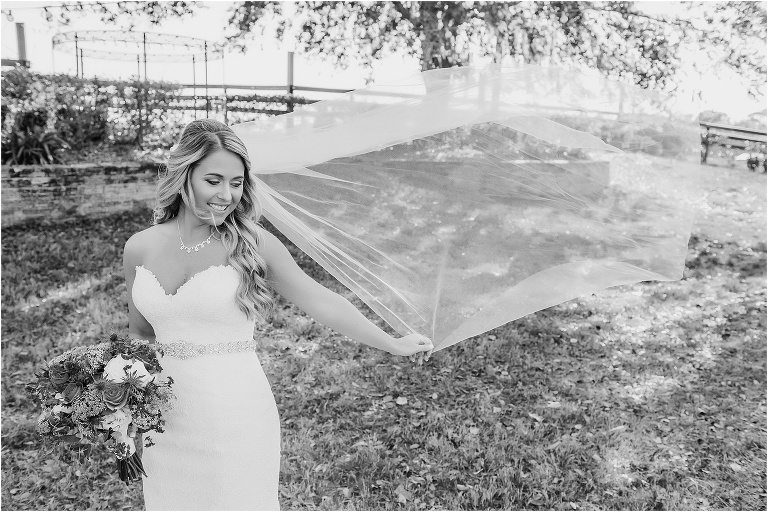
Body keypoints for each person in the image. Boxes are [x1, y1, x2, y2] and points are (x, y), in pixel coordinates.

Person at [123, 119, 434, 510]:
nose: (226, 195)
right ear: (184, 175)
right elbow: (140, 335)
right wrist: (123, 406)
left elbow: (321, 300)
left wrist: (391, 343)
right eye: (213, 180)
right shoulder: (139, 248)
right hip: (163, 419)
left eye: (236, 183)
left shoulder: (253, 243)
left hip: (234, 411)